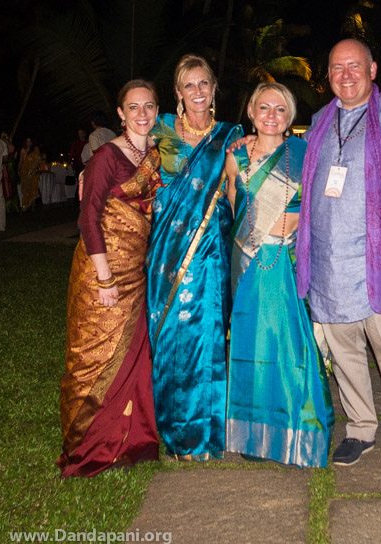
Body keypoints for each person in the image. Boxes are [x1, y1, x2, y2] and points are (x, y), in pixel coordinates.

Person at [296, 38, 381, 473]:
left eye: (354, 65)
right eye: (337, 68)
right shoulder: (319, 121)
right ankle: (359, 428)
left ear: (373, 69)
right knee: (344, 354)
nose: (346, 74)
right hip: (329, 264)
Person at [224, 82, 333, 467]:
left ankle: (296, 427)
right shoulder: (234, 156)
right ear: (251, 112)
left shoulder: (304, 153)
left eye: (280, 109)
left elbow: (321, 209)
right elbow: (236, 210)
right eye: (264, 108)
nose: (271, 115)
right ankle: (253, 432)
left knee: (289, 342)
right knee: (251, 342)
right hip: (249, 262)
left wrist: (296, 225)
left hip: (287, 262)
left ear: (289, 118)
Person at [58, 79, 162, 477]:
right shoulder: (106, 155)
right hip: (102, 270)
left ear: (156, 111)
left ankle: (130, 438)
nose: (141, 114)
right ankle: (88, 444)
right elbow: (88, 216)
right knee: (94, 355)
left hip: (137, 269)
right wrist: (104, 278)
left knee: (134, 354)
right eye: (132, 107)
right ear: (120, 113)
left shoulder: (154, 152)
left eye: (148, 107)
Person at [146, 54, 242, 462]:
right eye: (190, 84)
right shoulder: (161, 130)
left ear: (214, 88)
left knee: (207, 335)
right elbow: (131, 163)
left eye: (204, 83)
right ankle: (172, 428)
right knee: (169, 335)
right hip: (167, 251)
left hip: (211, 252)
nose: (198, 91)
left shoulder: (230, 135)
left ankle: (206, 431)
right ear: (178, 92)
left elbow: (238, 192)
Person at [18, 137, 42, 210]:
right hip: (25, 173)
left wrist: (36, 169)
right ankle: (26, 205)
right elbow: (21, 161)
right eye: (27, 141)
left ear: (32, 142)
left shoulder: (35, 150)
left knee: (33, 188)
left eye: (30, 141)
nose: (28, 143)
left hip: (33, 173)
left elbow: (38, 161)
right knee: (26, 189)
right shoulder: (23, 150)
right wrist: (18, 169)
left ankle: (33, 206)